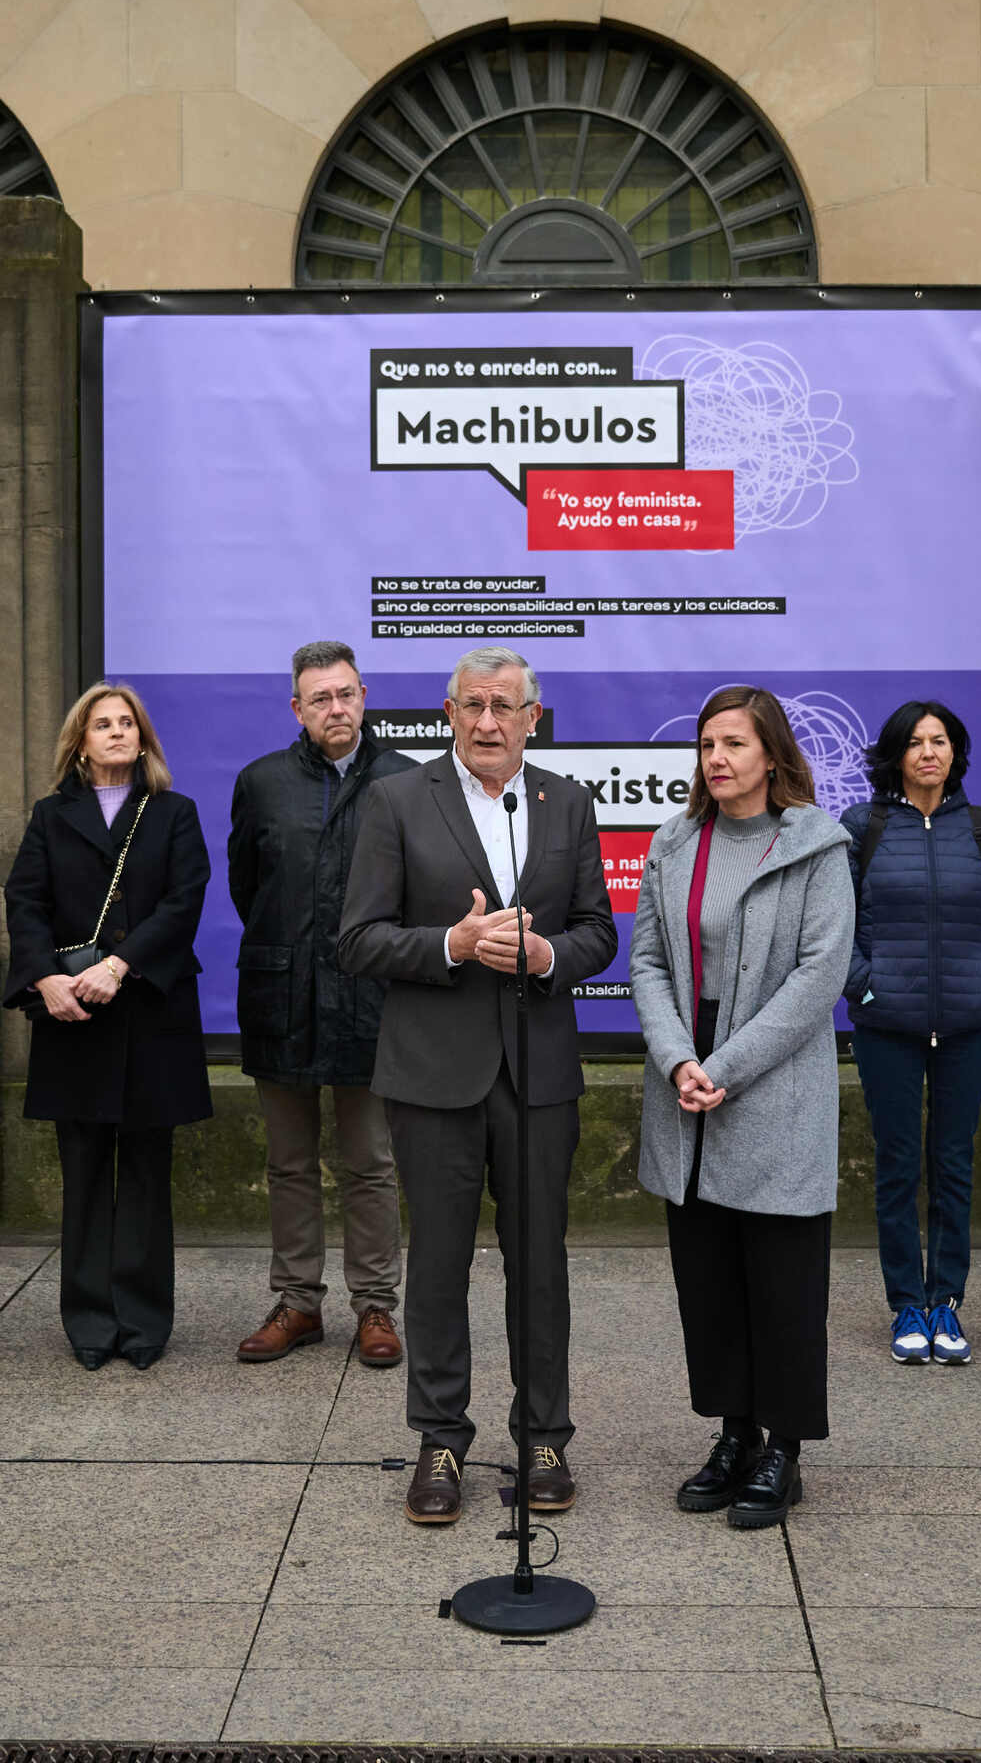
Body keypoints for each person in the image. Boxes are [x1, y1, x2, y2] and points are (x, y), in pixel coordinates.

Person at [337, 646, 617, 1529]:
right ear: (447, 714)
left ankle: (543, 1436)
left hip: (538, 1075)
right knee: (440, 1267)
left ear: (535, 718)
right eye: (472, 705)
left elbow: (598, 934)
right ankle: (440, 1440)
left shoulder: (568, 801)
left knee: (541, 1261)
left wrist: (546, 956)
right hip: (432, 1076)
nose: (488, 722)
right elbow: (359, 940)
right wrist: (452, 945)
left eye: (505, 706)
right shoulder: (394, 800)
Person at [632, 687, 854, 1529]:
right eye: (707, 744)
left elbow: (817, 981)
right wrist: (678, 1058)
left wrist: (724, 1063)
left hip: (772, 1081)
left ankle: (784, 1450)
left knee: (783, 1279)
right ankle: (733, 1434)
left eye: (734, 743)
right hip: (687, 1077)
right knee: (711, 1278)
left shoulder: (817, 849)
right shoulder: (674, 842)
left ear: (772, 755)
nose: (717, 758)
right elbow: (648, 961)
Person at [6, 682, 211, 1371]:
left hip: (151, 1010)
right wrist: (46, 979)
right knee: (86, 1173)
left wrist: (120, 966)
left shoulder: (174, 813)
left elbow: (184, 903)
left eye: (128, 723)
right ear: (81, 741)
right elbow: (25, 901)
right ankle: (90, 1320)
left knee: (148, 1174)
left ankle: (145, 1319)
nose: (118, 733)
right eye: (103, 724)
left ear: (144, 737)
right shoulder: (49, 814)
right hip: (73, 1017)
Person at [225, 640, 414, 1370]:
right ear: (297, 708)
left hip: (373, 1001)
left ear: (364, 695)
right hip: (283, 993)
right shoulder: (262, 782)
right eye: (320, 698)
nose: (336, 708)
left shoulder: (405, 780)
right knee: (289, 1162)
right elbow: (251, 888)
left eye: (346, 694)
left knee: (370, 1161)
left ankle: (376, 1306)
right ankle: (298, 1302)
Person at [840, 699, 981, 1368]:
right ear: (896, 754)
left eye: (939, 741)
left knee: (952, 1164)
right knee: (896, 1166)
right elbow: (837, 924)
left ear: (955, 753)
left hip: (969, 1024)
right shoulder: (864, 824)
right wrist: (865, 985)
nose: (928, 752)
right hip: (887, 1024)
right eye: (915, 742)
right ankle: (906, 1306)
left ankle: (946, 1300)